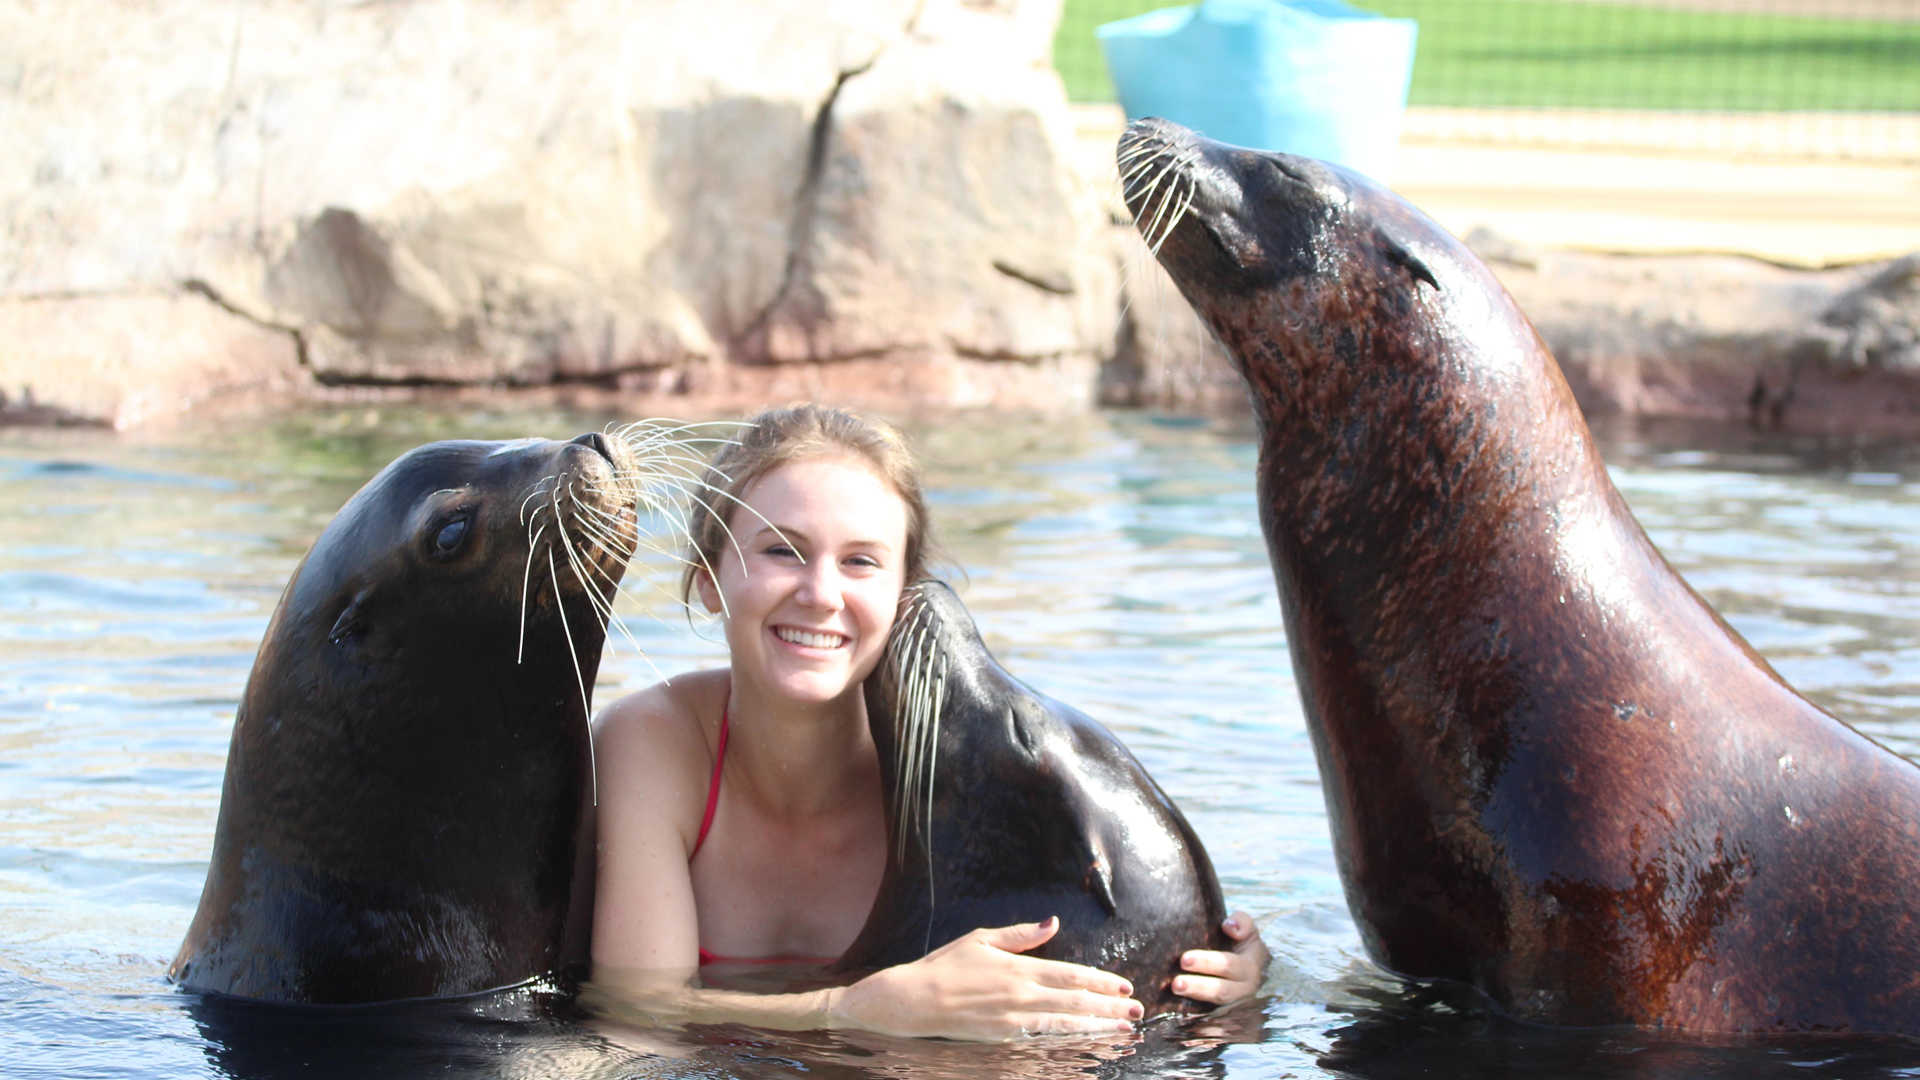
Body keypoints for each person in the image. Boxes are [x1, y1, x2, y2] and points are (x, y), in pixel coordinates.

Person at [590, 403, 1268, 1040]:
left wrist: (1218, 970)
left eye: (861, 561)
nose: (821, 593)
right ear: (709, 577)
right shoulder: (653, 743)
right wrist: (855, 1009)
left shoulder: (957, 777)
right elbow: (635, 1011)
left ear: (902, 593)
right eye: (781, 551)